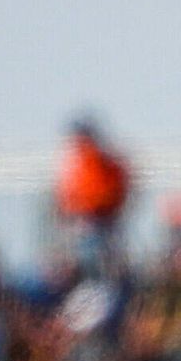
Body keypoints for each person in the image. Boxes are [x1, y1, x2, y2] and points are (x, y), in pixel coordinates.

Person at [55, 115, 130, 273]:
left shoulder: (100, 160)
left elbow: (112, 191)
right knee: (85, 261)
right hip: (83, 223)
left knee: (96, 262)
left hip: (98, 221)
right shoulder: (77, 162)